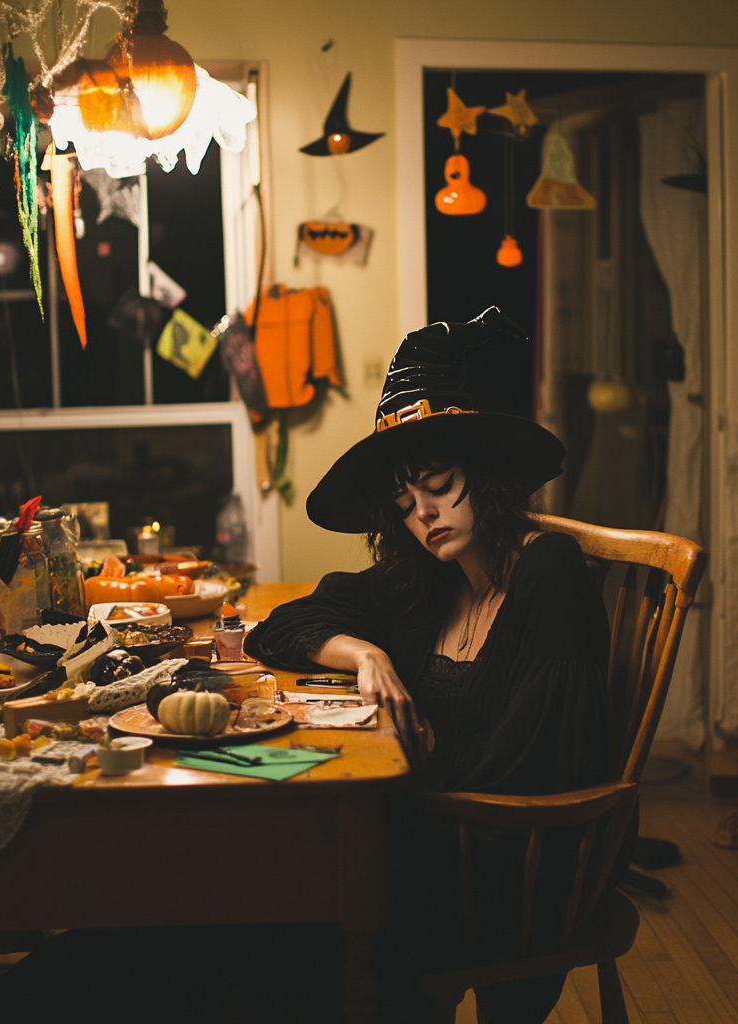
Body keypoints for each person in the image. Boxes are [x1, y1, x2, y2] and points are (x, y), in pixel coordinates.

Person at [244, 308, 618, 1024]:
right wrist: (366, 653)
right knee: (281, 887)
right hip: (445, 844)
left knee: (311, 894)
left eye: (441, 485)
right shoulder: (428, 586)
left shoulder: (549, 572)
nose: (425, 514)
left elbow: (545, 765)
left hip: (515, 864)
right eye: (406, 501)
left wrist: (402, 800)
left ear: (483, 474)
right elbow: (284, 625)